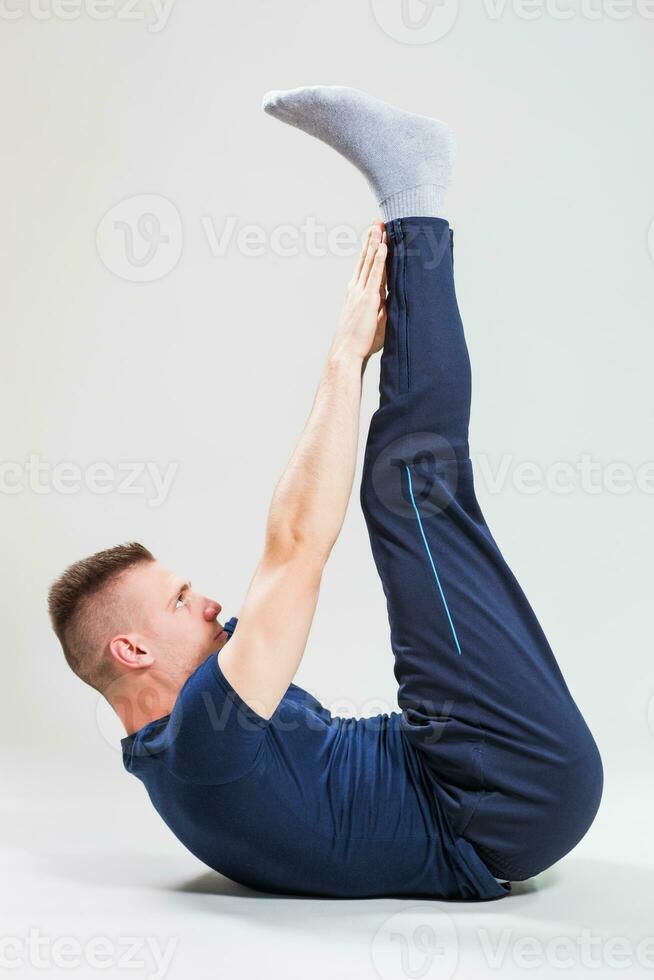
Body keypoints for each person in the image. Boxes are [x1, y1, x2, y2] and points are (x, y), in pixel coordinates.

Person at [47, 86, 603, 900]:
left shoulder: (182, 758)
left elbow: (287, 550)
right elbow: (297, 547)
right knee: (409, 488)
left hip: (469, 771)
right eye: (178, 601)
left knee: (411, 486)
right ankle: (416, 192)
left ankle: (416, 200)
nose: (208, 605)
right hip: (504, 797)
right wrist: (346, 354)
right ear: (131, 652)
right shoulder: (202, 739)